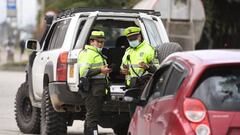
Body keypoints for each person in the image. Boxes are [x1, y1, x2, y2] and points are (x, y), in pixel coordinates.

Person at [77, 30, 112, 135]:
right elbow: (84, 72)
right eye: (98, 41)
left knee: (91, 115)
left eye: (102, 42)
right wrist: (100, 70)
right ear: (91, 41)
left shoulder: (97, 53)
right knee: (93, 117)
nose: (101, 44)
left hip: (97, 90)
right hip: (91, 90)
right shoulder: (88, 54)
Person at [120, 26, 159, 115]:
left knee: (144, 114)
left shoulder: (149, 49)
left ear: (139, 36)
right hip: (132, 86)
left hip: (144, 87)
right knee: (133, 115)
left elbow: (158, 69)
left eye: (134, 38)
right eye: (130, 39)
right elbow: (122, 68)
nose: (132, 41)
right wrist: (123, 71)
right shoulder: (128, 51)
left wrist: (147, 67)